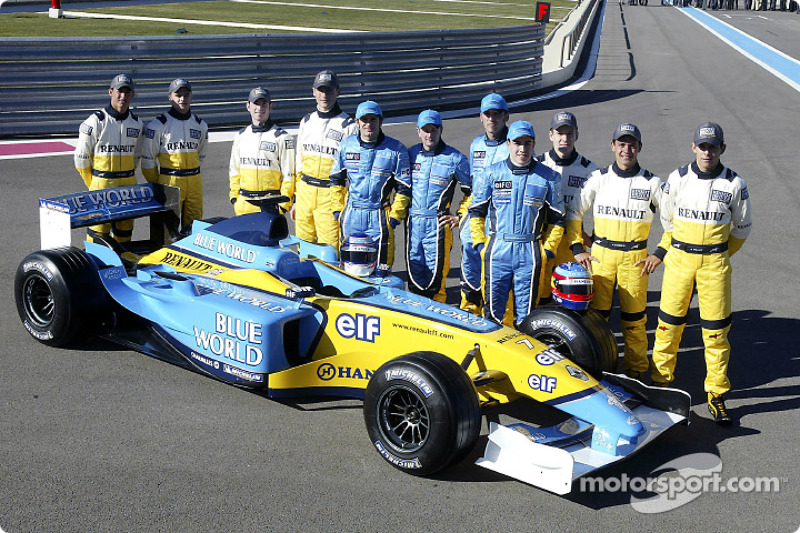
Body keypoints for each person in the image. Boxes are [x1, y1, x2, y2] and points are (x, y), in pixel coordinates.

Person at [648, 122, 752, 424]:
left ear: (722, 148)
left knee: (716, 333)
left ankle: (717, 394)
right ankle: (660, 384)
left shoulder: (734, 183)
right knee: (668, 326)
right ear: (693, 147)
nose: (707, 152)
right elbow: (666, 219)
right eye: (702, 146)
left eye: (713, 146)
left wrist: (718, 254)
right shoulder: (677, 179)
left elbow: (742, 229)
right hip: (679, 261)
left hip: (715, 266)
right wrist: (684, 248)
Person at [568, 123, 662, 379]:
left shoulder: (652, 183)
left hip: (636, 259)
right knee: (596, 321)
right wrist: (578, 248)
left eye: (632, 144)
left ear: (639, 148)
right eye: (621, 144)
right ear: (613, 146)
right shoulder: (598, 178)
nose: (626, 149)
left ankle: (636, 372)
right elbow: (574, 212)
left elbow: (674, 221)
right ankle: (597, 369)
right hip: (601, 256)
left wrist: (659, 253)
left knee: (634, 322)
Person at [468, 120, 564, 327]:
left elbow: (558, 220)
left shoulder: (549, 178)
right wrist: (480, 244)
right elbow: (476, 211)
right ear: (509, 144)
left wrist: (547, 251)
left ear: (534, 144)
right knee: (492, 314)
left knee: (527, 316)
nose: (522, 148)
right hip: (497, 250)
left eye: (527, 143)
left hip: (530, 252)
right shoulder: (491, 174)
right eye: (517, 143)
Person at [330, 100, 411, 269]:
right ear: (357, 122)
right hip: (351, 214)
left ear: (380, 121)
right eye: (364, 120)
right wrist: (338, 210)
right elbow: (336, 180)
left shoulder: (396, 149)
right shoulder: (346, 145)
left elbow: (404, 188)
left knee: (381, 266)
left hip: (379, 216)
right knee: (349, 266)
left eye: (373, 119)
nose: (369, 124)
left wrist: (394, 217)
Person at [406, 110, 471, 302]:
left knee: (435, 280)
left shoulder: (455, 159)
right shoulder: (410, 155)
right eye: (425, 130)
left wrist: (460, 215)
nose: (429, 135)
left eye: (433, 130)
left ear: (440, 130)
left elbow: (475, 191)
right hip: (413, 223)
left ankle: (437, 319)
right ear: (418, 131)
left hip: (438, 225)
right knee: (414, 276)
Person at [537, 111, 599, 304]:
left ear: (576, 135)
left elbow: (601, 208)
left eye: (569, 133)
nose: (564, 138)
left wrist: (595, 238)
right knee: (540, 295)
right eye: (560, 133)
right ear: (551, 135)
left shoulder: (590, 170)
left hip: (572, 242)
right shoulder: (538, 164)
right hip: (542, 238)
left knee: (570, 297)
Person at [74, 73, 144, 243]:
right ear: (110, 92)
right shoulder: (95, 121)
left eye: (128, 92)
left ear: (132, 95)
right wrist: (93, 184)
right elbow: (81, 158)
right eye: (119, 92)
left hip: (128, 185)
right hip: (101, 184)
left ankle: (124, 267)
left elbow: (137, 156)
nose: (123, 96)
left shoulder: (137, 123)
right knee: (98, 235)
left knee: (125, 234)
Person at [292, 70, 357, 250]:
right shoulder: (306, 121)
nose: (324, 95)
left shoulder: (348, 125)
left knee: (329, 250)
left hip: (330, 195)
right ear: (313, 91)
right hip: (305, 193)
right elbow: (299, 162)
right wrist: (296, 199)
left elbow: (353, 171)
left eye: (329, 90)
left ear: (338, 91)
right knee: (302, 248)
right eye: (320, 90)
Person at [460, 92, 511, 315]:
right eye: (488, 114)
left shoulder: (515, 144)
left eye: (497, 114)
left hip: (500, 224)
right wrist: (461, 215)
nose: (492, 119)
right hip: (474, 221)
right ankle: (469, 314)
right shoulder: (475, 145)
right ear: (481, 117)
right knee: (470, 272)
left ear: (505, 116)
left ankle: (495, 319)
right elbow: (471, 187)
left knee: (495, 276)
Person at [141, 78, 208, 233]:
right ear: (170, 97)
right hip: (169, 181)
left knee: (195, 229)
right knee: (166, 231)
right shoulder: (158, 125)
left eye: (186, 94)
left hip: (194, 181)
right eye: (178, 95)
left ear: (191, 96)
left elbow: (201, 156)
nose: (182, 99)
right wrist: (160, 185)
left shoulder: (200, 124)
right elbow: (148, 161)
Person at [229, 87, 296, 215]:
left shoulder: (282, 137)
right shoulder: (240, 136)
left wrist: (283, 205)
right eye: (256, 103)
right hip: (244, 204)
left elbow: (289, 174)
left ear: (270, 106)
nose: (259, 108)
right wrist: (235, 198)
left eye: (264, 104)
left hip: (270, 205)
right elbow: (234, 170)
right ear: (248, 106)